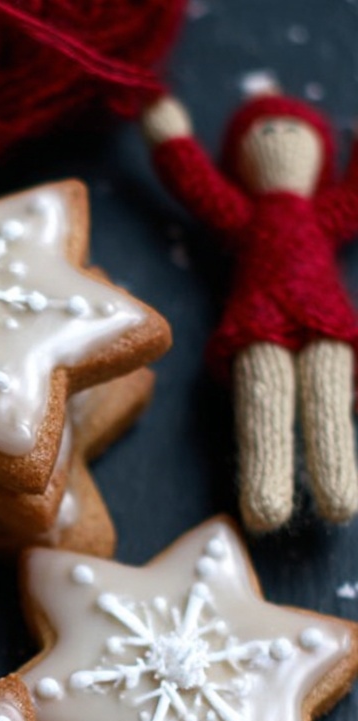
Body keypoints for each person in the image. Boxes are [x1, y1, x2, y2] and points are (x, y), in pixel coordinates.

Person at [141, 88, 358, 532]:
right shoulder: (243, 215)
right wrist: (172, 139)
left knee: (329, 396)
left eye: (292, 130)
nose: (279, 135)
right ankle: (266, 489)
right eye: (266, 130)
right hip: (257, 320)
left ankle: (338, 481)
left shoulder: (324, 214)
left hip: (325, 318)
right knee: (263, 398)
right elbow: (196, 184)